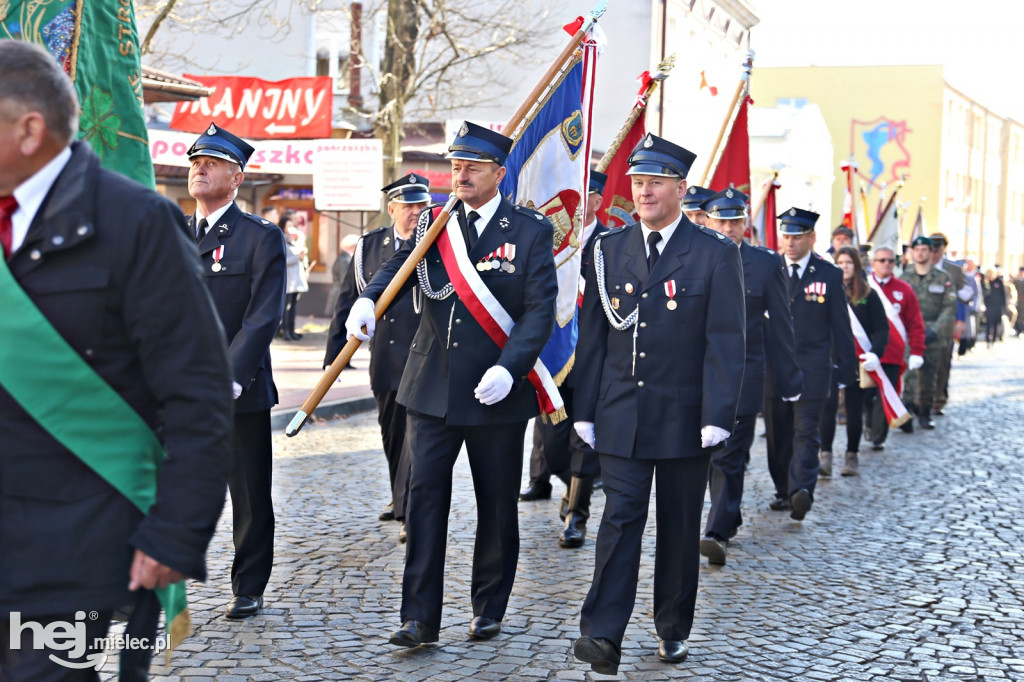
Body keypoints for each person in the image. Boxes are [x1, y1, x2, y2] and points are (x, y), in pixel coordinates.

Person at [0, 40, 232, 680]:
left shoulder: (135, 223)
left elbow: (199, 393)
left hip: (75, 544)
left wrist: (175, 535)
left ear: (28, 129)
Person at [345, 121, 557, 647]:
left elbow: (538, 311)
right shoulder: (433, 224)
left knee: (496, 503)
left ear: (498, 174)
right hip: (432, 385)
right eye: (456, 166)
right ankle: (418, 618)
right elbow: (399, 266)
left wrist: (510, 368)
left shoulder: (529, 231)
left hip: (496, 391)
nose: (460, 175)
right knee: (424, 502)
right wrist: (369, 298)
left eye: (472, 167)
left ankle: (489, 606)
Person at [571, 134, 746, 674]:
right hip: (621, 409)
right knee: (620, 518)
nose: (643, 192)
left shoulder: (715, 253)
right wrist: (583, 407)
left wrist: (718, 417)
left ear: (679, 187)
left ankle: (672, 627)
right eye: (638, 182)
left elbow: (725, 341)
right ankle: (601, 634)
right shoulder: (606, 249)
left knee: (675, 526)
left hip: (684, 417)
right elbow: (593, 334)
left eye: (655, 182)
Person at [186, 122, 288, 619]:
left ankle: (249, 584)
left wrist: (229, 375)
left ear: (236, 176)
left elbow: (262, 315)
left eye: (211, 162)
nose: (199, 168)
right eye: (195, 162)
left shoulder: (258, 238)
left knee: (248, 492)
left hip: (236, 389)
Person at [698, 188, 802, 565]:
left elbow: (782, 327)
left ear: (746, 223)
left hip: (744, 375)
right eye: (721, 220)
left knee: (729, 454)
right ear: (707, 221)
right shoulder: (691, 255)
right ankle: (730, 512)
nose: (728, 228)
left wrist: (788, 379)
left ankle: (716, 531)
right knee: (708, 457)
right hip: (695, 375)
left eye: (735, 221)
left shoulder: (764, 264)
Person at [325, 173, 429, 542]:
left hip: (423, 355)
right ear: (392, 209)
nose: (417, 212)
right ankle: (399, 497)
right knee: (391, 433)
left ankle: (409, 512)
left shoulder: (434, 241)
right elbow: (347, 300)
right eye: (410, 206)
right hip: (384, 354)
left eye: (422, 204)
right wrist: (333, 354)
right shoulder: (370, 246)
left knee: (416, 435)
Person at [522, 170, 610, 548]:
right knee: (554, 444)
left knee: (585, 442)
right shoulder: (551, 237)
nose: (581, 199)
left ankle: (577, 515)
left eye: (588, 193)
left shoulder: (613, 242)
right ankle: (570, 487)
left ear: (597, 201)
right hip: (555, 356)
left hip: (594, 358)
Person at [764, 208, 856, 520]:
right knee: (778, 435)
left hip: (812, 369)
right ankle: (782, 490)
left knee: (806, 431)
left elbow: (841, 327)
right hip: (774, 369)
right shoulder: (769, 267)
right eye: (786, 236)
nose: (790, 242)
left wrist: (847, 371)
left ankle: (801, 490)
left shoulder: (828, 274)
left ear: (811, 238)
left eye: (797, 236)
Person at [819, 246, 888, 476]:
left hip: (857, 359)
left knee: (853, 408)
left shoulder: (869, 294)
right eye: (840, 262)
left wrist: (875, 353)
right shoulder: (826, 290)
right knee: (827, 408)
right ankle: (825, 456)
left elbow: (881, 328)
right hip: (831, 358)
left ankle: (852, 456)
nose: (844, 267)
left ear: (856, 266)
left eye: (849, 262)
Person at [867, 246, 925, 445]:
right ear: (873, 263)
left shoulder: (903, 289)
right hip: (866, 352)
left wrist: (917, 351)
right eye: (881, 260)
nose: (886, 264)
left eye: (890, 261)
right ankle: (870, 427)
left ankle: (878, 437)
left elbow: (915, 322)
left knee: (886, 394)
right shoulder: (863, 286)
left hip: (892, 353)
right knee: (867, 396)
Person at [900, 236, 956, 429]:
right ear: (913, 253)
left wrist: (934, 331)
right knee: (909, 375)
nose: (921, 253)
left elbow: (949, 308)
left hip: (932, 334)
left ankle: (925, 412)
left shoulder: (943, 278)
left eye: (925, 249)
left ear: (932, 253)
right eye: (918, 249)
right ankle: (906, 412)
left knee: (929, 376)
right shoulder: (904, 278)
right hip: (909, 334)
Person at [928, 232, 969, 415]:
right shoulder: (921, 264)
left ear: (944, 248)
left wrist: (961, 319)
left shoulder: (953, 269)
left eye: (939, 247)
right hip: (923, 321)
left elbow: (964, 296)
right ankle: (919, 399)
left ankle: (938, 399)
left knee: (943, 362)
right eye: (932, 247)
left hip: (946, 323)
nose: (935, 251)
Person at [280, 211, 309, 341]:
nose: (291, 228)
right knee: (287, 307)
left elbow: (301, 259)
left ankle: (291, 330)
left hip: (297, 279)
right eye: (288, 225)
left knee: (294, 307)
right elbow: (282, 260)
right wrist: (297, 257)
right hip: (288, 280)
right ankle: (285, 330)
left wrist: (302, 257)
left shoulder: (296, 241)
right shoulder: (281, 241)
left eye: (292, 225)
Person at [326, 233, 359, 316]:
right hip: (341, 295)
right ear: (352, 246)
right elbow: (345, 279)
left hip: (340, 293)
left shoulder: (344, 258)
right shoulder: (345, 260)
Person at [983, 267, 1007, 346]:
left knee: (997, 323)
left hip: (998, 307)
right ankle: (988, 339)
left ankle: (993, 339)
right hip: (989, 307)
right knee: (989, 323)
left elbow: (1003, 295)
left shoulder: (999, 282)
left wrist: (1004, 307)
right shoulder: (986, 282)